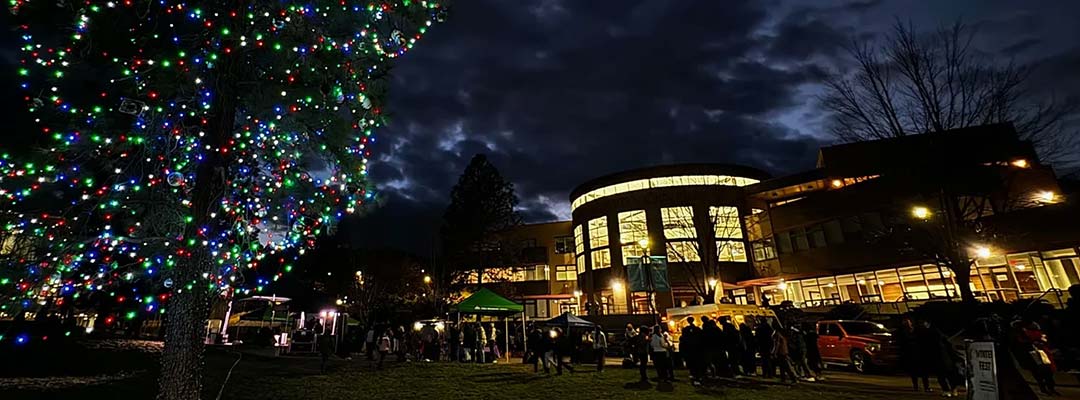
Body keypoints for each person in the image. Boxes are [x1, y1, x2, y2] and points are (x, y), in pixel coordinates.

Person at [917, 319, 960, 397]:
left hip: (940, 357)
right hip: (943, 358)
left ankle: (948, 390)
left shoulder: (932, 333)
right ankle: (951, 390)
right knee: (947, 375)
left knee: (943, 375)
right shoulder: (938, 334)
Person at [897, 317, 930, 392]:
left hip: (919, 353)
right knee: (914, 372)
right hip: (912, 354)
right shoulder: (904, 332)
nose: (907, 324)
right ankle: (917, 386)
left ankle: (926, 387)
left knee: (923, 371)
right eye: (906, 323)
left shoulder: (917, 330)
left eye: (908, 322)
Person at [681, 317, 704, 384]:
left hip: (689, 350)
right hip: (697, 349)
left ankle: (694, 376)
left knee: (692, 364)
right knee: (697, 364)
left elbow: (683, 340)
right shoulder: (697, 329)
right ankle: (698, 376)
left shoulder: (685, 330)